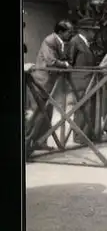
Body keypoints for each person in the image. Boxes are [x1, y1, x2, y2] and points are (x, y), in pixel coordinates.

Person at [28, 20, 73, 151]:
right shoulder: (50, 40)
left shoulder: (61, 42)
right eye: (69, 32)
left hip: (50, 83)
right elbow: (50, 61)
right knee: (38, 114)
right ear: (60, 32)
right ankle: (27, 145)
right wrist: (65, 65)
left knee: (47, 113)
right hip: (41, 82)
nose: (71, 34)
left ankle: (40, 142)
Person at [67, 18, 99, 144]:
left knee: (89, 107)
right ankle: (79, 136)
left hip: (88, 79)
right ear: (86, 31)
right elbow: (70, 60)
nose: (94, 34)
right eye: (93, 31)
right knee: (81, 107)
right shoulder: (75, 42)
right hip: (79, 79)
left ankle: (87, 134)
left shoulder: (86, 43)